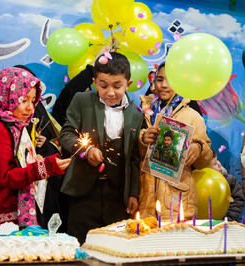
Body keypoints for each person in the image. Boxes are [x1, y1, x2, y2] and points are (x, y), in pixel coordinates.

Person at [59, 52, 143, 244]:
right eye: (103, 85)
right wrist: (86, 150)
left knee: (113, 246)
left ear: (128, 84)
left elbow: (135, 158)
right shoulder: (82, 100)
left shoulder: (136, 114)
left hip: (118, 195)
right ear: (95, 81)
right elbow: (66, 134)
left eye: (117, 86)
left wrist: (133, 193)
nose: (110, 92)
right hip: (83, 192)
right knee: (80, 246)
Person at [0, 67, 71, 233]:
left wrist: (38, 161)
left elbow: (22, 167)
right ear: (7, 97)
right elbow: (8, 177)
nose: (30, 108)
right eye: (23, 100)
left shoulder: (19, 128)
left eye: (33, 100)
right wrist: (46, 167)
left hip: (20, 214)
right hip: (5, 218)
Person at [140, 62, 212, 220]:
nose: (164, 85)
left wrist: (198, 147)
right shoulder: (144, 112)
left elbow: (205, 161)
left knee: (175, 242)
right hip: (145, 197)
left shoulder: (193, 116)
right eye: (159, 79)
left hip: (177, 200)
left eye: (171, 80)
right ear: (153, 83)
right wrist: (142, 139)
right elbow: (133, 154)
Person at [209, 149, 245, 222]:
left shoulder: (230, 180)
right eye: (215, 163)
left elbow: (238, 200)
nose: (219, 164)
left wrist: (229, 217)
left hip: (227, 222)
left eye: (217, 160)